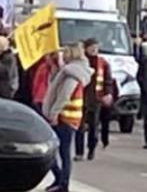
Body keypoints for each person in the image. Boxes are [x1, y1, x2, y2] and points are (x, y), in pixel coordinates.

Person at [42, 43, 92, 192]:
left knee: (59, 151)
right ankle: (60, 180)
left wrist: (54, 113)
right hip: (70, 117)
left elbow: (64, 95)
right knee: (61, 151)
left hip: (65, 117)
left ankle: (63, 182)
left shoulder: (72, 73)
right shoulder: (74, 70)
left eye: (66, 51)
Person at [75, 39, 112, 162]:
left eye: (95, 47)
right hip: (81, 98)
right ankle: (79, 152)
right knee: (79, 127)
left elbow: (108, 80)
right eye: (91, 47)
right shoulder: (80, 62)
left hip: (96, 99)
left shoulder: (103, 63)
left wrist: (108, 93)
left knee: (93, 127)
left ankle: (91, 149)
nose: (94, 49)